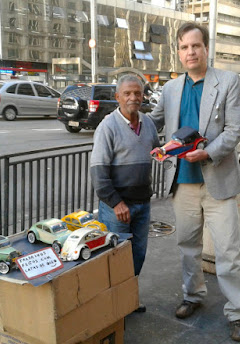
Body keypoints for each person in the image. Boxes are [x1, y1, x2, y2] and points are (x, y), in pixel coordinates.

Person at [149, 22, 240, 342]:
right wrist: (123, 117)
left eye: (196, 46)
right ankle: (193, 295)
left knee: (228, 252)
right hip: (182, 181)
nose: (190, 52)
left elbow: (235, 130)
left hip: (217, 179)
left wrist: (207, 154)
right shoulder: (170, 88)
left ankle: (238, 311)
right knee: (187, 247)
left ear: (207, 48)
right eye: (184, 47)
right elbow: (154, 121)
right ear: (178, 52)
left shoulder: (228, 81)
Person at [90, 74, 160, 312]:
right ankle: (110, 308)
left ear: (143, 96)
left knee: (137, 255)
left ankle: (127, 300)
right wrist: (117, 203)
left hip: (143, 203)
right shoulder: (107, 127)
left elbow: (154, 149)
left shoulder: (148, 123)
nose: (133, 98)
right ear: (117, 96)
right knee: (114, 258)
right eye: (127, 93)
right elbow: (99, 175)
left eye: (137, 93)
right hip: (117, 208)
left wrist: (165, 151)